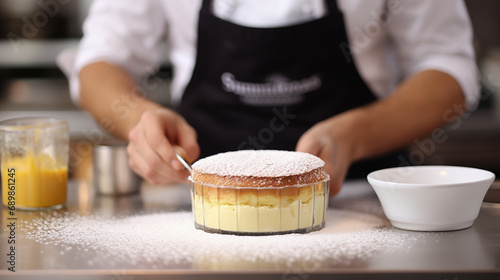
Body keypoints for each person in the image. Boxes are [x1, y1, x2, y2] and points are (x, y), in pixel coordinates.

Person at [64, 0, 478, 197]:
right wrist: (140, 118)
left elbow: (448, 70)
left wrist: (356, 135)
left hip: (361, 200)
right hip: (196, 205)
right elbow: (101, 61)